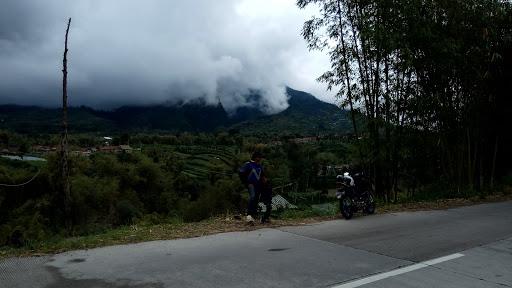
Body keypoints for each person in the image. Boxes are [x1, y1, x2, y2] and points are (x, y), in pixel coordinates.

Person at [238, 151, 267, 224]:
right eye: (259, 157)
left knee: (257, 199)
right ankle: (249, 215)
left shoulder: (259, 166)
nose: (260, 159)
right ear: (255, 157)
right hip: (251, 184)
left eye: (261, 157)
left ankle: (253, 214)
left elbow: (262, 175)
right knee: (253, 196)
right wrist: (245, 182)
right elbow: (241, 172)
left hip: (258, 185)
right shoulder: (248, 164)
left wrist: (265, 182)